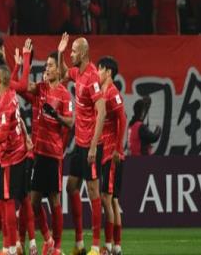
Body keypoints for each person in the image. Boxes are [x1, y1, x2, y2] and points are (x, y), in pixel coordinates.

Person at [18, 51, 74, 255]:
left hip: (53, 155)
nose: (47, 68)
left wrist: (56, 115)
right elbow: (22, 87)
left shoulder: (65, 94)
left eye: (50, 65)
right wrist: (25, 62)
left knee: (54, 200)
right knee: (32, 201)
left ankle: (56, 247)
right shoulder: (40, 88)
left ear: (58, 70)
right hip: (37, 153)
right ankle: (47, 239)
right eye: (46, 66)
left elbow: (70, 122)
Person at [57, 33, 106, 255]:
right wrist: (60, 53)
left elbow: (102, 112)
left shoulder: (92, 77)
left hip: (91, 144)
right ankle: (79, 243)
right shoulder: (78, 73)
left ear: (84, 53)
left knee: (93, 191)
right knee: (71, 187)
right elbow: (63, 73)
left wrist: (94, 146)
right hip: (79, 142)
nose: (71, 54)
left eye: (74, 51)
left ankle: (95, 246)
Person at [0, 65, 30, 255]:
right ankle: (13, 245)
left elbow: (2, 135)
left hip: (11, 157)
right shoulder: (11, 95)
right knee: (10, 199)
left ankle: (10, 247)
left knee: (7, 200)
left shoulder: (4, 102)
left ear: (0, 80)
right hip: (19, 153)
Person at [96, 57, 126, 255]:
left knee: (107, 198)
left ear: (108, 72)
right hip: (106, 152)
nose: (97, 73)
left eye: (100, 69)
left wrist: (117, 149)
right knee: (112, 200)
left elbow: (122, 118)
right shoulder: (103, 92)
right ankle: (116, 246)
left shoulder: (112, 92)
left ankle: (108, 245)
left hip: (112, 154)